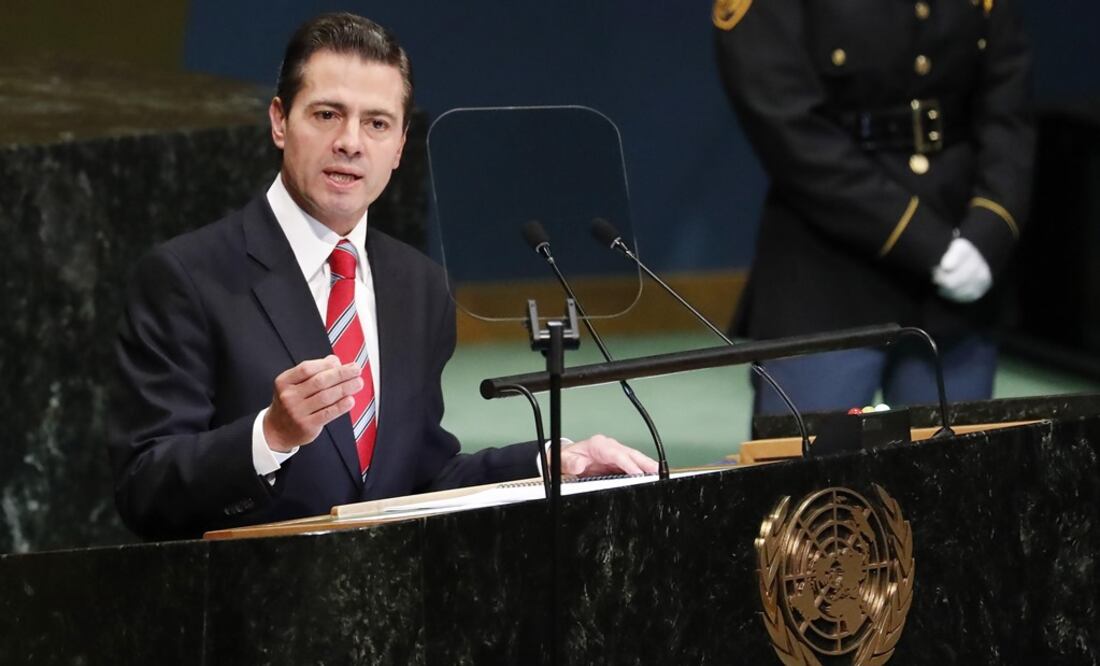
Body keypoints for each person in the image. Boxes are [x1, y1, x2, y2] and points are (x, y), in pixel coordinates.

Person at [109, 12, 656, 540]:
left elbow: (419, 479)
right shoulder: (187, 276)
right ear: (279, 121)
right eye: (327, 115)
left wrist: (548, 462)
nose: (350, 142)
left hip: (385, 619)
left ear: (398, 147)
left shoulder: (418, 286)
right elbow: (144, 488)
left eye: (376, 123)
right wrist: (268, 437)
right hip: (244, 611)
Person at [713, 0, 1035, 414]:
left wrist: (990, 229)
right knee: (813, 472)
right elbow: (788, 128)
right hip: (828, 271)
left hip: (961, 262)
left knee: (954, 470)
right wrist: (929, 245)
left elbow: (1009, 115)